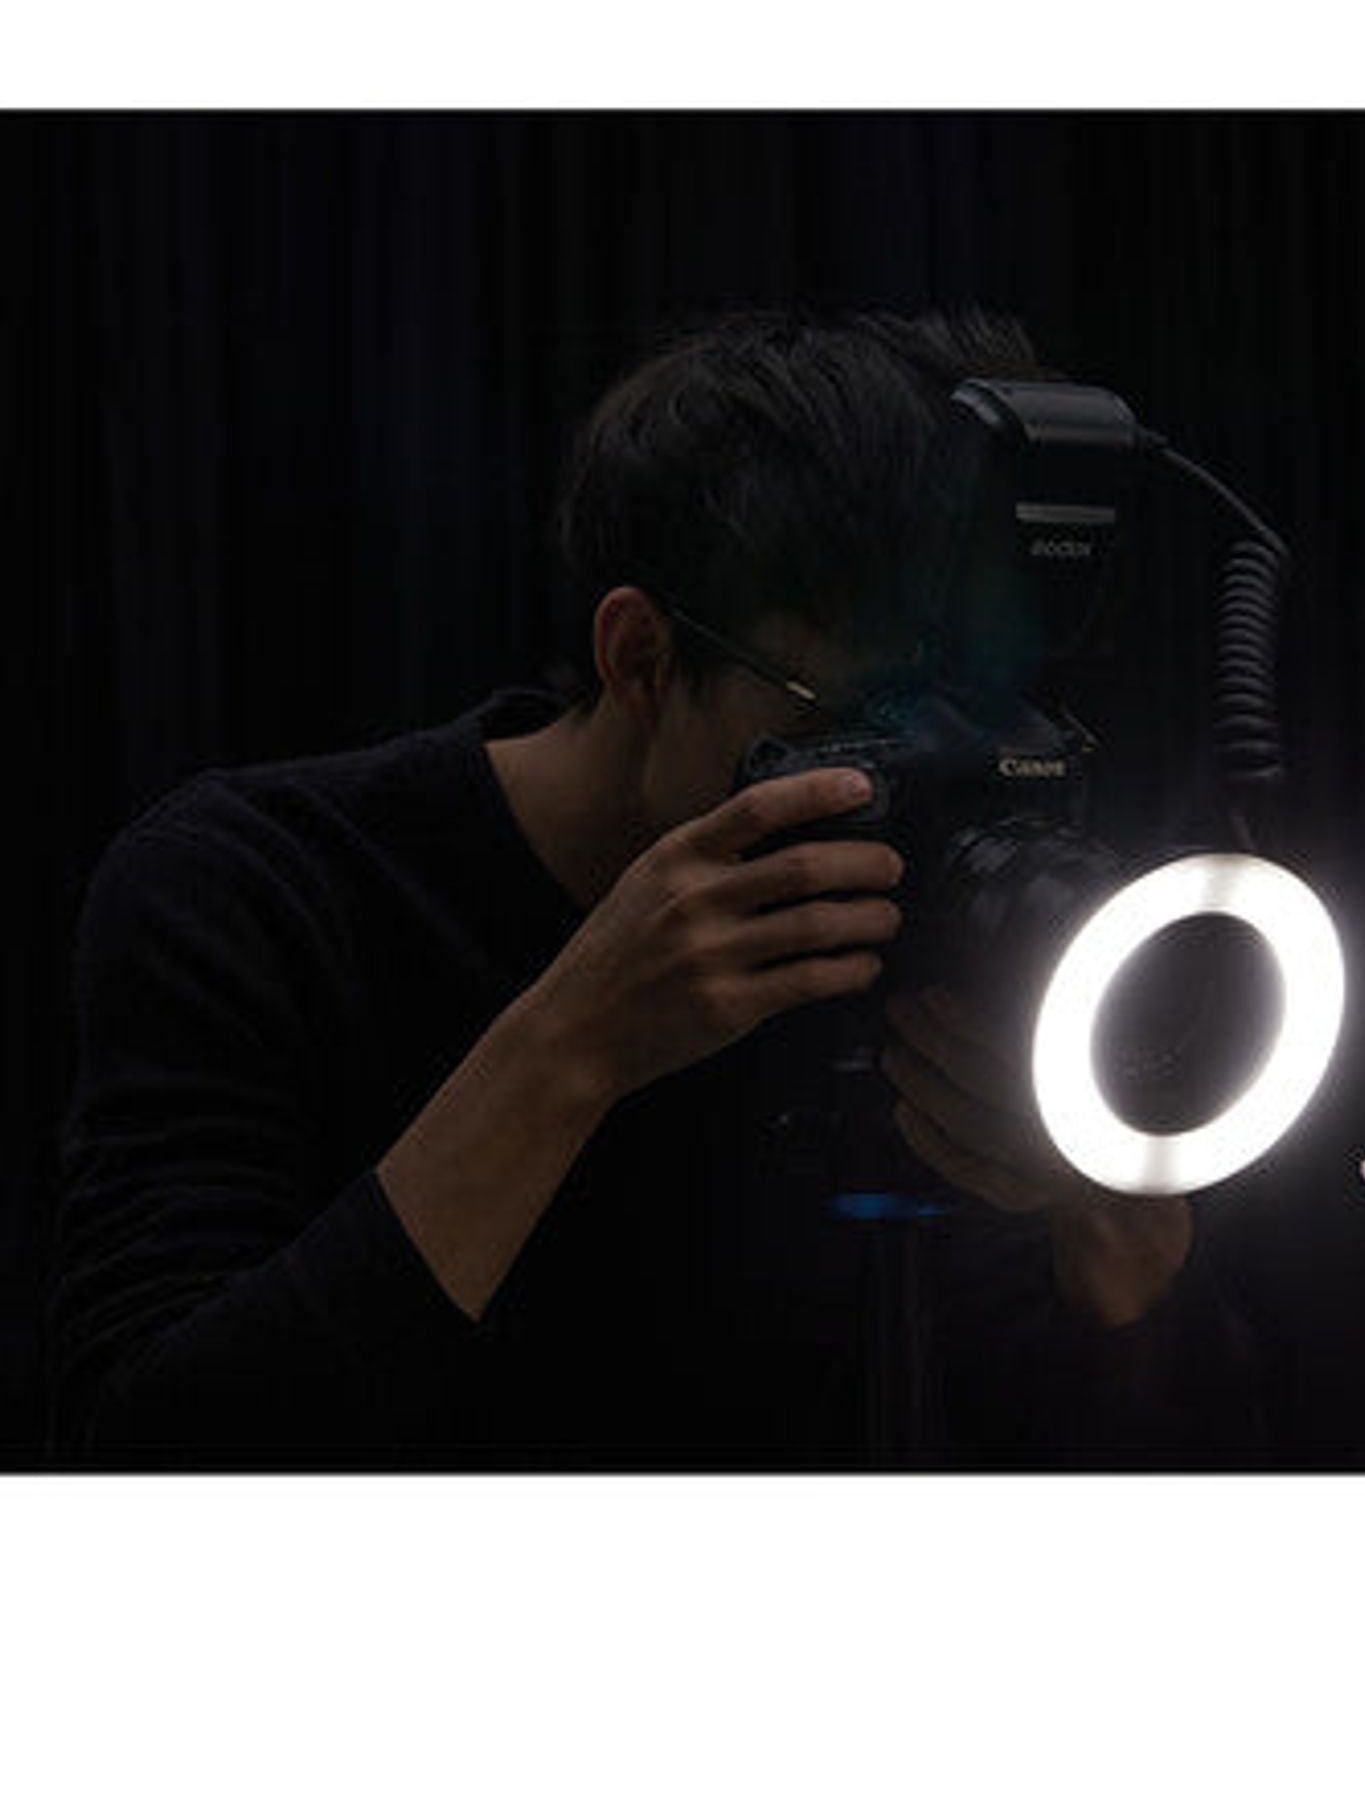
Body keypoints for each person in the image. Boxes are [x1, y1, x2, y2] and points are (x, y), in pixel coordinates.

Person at [50, 308, 1264, 1469]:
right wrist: (576, 1045)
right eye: (878, 715)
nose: (951, 775)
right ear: (640, 657)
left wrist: (1121, 1231)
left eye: (995, 704)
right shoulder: (251, 889)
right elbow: (153, 1463)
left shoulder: (942, 950)